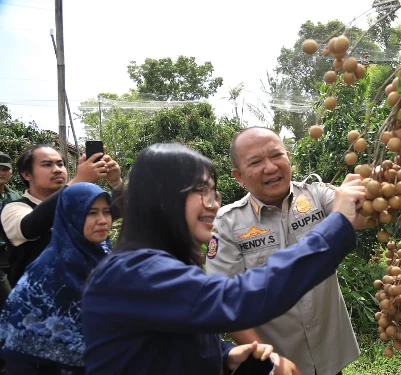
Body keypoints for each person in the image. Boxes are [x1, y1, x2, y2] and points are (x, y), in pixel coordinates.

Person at [81, 143, 366, 375]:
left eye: (213, 191)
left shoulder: (161, 265)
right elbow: (236, 298)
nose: (213, 203)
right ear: (160, 200)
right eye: (200, 191)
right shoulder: (133, 273)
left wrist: (225, 355)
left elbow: (164, 343)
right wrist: (337, 224)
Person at [206, 127, 361, 375]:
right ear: (239, 176)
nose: (270, 167)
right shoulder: (227, 224)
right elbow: (226, 304)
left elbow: (361, 215)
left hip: (329, 356)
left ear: (288, 157)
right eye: (256, 162)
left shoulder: (318, 195)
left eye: (277, 155)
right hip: (281, 364)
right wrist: (268, 359)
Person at [0, 182, 113, 375]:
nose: (103, 220)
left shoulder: (104, 253)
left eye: (106, 212)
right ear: (70, 216)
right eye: (91, 213)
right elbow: (21, 344)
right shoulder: (49, 269)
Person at [0, 144, 122, 286]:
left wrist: (115, 182)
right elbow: (31, 226)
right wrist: (79, 180)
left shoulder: (79, 205)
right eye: (47, 165)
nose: (57, 170)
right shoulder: (14, 209)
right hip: (40, 303)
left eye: (60, 164)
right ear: (27, 174)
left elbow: (121, 211)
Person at [0, 153, 20, 311]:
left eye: (5, 169)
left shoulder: (14, 197)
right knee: (11, 304)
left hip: (13, 257)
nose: (2, 172)